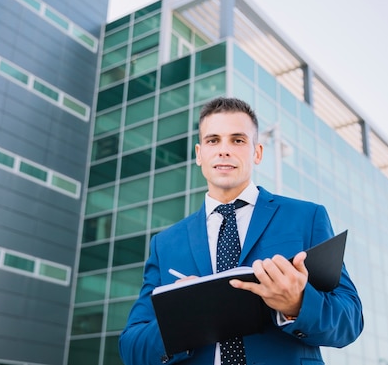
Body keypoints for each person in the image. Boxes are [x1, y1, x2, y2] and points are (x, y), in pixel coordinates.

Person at [119, 97, 363, 365]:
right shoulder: (165, 244)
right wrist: (181, 320)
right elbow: (131, 348)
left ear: (257, 152)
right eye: (213, 140)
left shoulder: (306, 217)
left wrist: (298, 304)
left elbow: (350, 319)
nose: (224, 150)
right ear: (200, 154)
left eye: (237, 140)